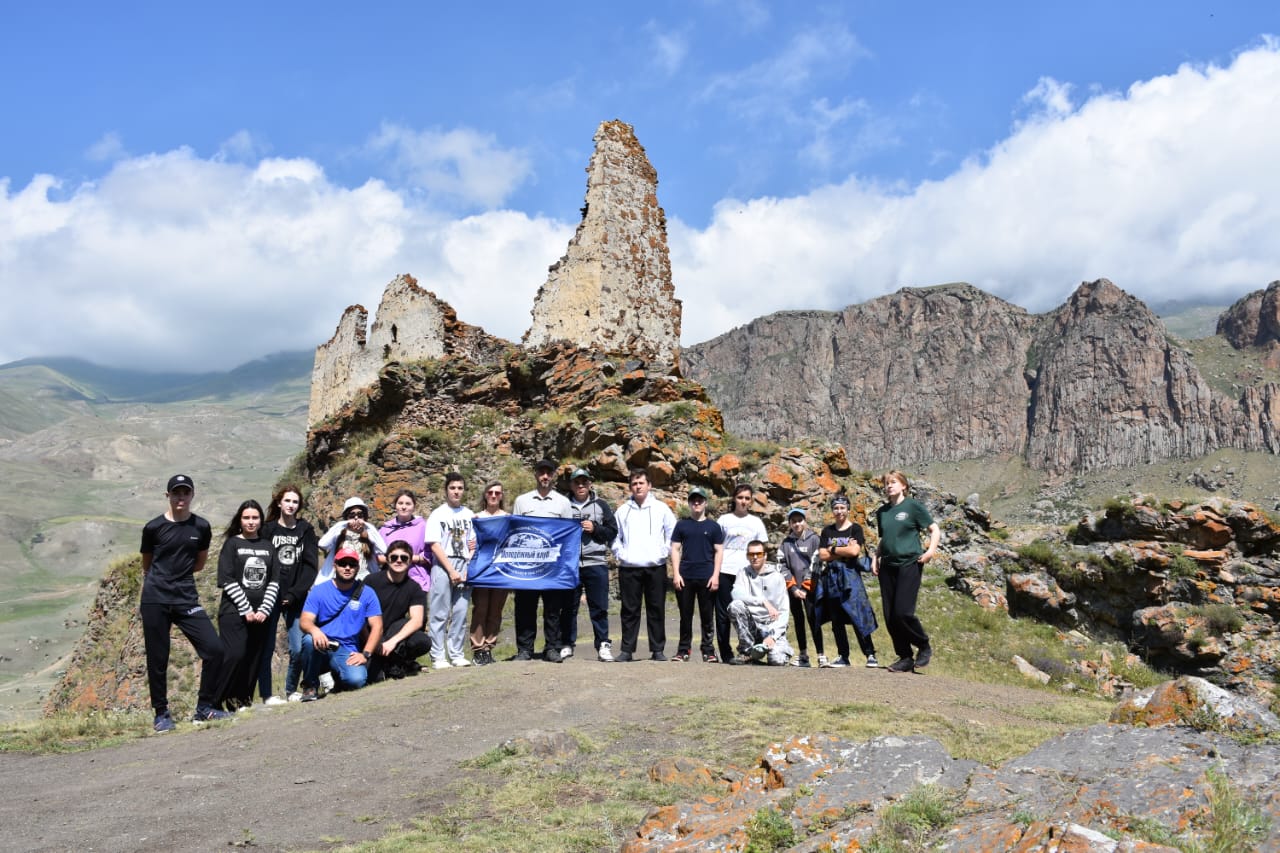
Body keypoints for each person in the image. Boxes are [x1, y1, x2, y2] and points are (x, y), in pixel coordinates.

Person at [139, 474, 230, 731]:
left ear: (192, 495)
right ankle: (161, 714)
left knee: (214, 649)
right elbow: (147, 564)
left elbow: (199, 563)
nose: (181, 497)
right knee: (158, 657)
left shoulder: (201, 527)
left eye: (185, 492)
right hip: (155, 599)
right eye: (176, 492)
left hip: (186, 597)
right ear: (167, 495)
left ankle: (205, 709)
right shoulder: (153, 527)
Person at [213, 500, 280, 711]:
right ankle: (213, 703)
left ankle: (241, 702)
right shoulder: (232, 544)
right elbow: (226, 579)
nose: (251, 522)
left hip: (261, 614)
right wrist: (246, 609)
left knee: (253, 659)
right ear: (239, 520)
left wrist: (264, 610)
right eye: (246, 518)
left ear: (261, 520)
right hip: (234, 612)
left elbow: (274, 581)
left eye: (255, 518)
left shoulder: (268, 546)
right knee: (234, 655)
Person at [873, 471, 941, 673]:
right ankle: (905, 657)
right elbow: (884, 538)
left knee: (902, 612)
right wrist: (875, 558)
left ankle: (923, 644)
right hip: (887, 566)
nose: (889, 486)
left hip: (909, 563)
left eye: (893, 482)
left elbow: (934, 529)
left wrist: (930, 552)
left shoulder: (912, 506)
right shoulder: (882, 512)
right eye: (886, 483)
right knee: (890, 616)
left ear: (903, 485)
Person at [298, 547, 383, 699]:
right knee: (309, 640)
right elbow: (305, 621)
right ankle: (310, 686)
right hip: (322, 644)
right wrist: (315, 631)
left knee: (357, 680)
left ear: (358, 567)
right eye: (343, 563)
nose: (347, 568)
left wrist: (365, 654)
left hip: (347, 648)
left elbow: (377, 626)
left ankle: (338, 680)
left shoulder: (367, 593)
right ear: (335, 565)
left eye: (352, 564)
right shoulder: (319, 590)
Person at [611, 468, 676, 662]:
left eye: (641, 483)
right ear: (630, 487)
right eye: (634, 483)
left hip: (655, 567)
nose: (638, 487)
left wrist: (663, 552)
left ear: (649, 485)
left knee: (656, 608)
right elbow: (614, 536)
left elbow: (673, 533)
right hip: (629, 568)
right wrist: (621, 554)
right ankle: (627, 650)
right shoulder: (622, 510)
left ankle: (658, 650)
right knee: (629, 610)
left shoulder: (661, 508)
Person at [511, 459, 573, 662]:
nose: (545, 476)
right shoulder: (522, 501)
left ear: (554, 475)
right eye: (541, 472)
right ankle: (525, 649)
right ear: (535, 474)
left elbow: (568, 534)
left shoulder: (563, 502)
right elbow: (514, 532)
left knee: (553, 609)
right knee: (525, 607)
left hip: (553, 566)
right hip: (527, 565)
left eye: (548, 473)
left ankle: (552, 648)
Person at [262, 485, 318, 704]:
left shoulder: (305, 530)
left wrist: (295, 593)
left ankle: (292, 690)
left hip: (296, 598)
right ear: (279, 503)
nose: (291, 505)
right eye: (287, 500)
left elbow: (310, 567)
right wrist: (271, 592)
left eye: (295, 502)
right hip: (270, 597)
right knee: (265, 648)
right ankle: (266, 694)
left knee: (298, 648)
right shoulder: (268, 530)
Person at [816, 494, 879, 668]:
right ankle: (843, 656)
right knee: (836, 618)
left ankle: (870, 654)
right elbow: (822, 555)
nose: (839, 511)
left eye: (842, 508)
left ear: (848, 510)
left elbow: (854, 552)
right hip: (832, 579)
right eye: (836, 508)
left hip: (851, 578)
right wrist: (844, 549)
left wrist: (833, 549)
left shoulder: (855, 529)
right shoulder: (827, 531)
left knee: (858, 614)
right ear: (832, 510)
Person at [562, 468, 618, 662]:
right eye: (576, 482)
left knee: (599, 606)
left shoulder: (601, 505)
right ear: (571, 485)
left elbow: (612, 531)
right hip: (570, 564)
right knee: (568, 607)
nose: (580, 486)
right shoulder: (563, 506)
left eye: (584, 482)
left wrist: (595, 528)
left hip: (596, 562)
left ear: (589, 484)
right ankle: (567, 644)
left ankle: (603, 644)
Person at [424, 473, 476, 669]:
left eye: (460, 488)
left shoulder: (469, 514)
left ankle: (456, 653)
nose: (456, 491)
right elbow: (434, 545)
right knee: (440, 611)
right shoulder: (438, 514)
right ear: (446, 490)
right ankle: (438, 655)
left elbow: (473, 543)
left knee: (461, 611)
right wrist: (451, 570)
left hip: (464, 563)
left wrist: (469, 565)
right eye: (452, 488)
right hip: (443, 563)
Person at [670, 487, 723, 663]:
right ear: (689, 503)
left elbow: (719, 551)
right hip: (685, 577)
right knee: (685, 616)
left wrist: (715, 576)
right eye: (693, 500)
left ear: (706, 503)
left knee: (707, 616)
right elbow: (675, 549)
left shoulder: (713, 526)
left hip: (707, 577)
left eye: (700, 500)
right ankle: (683, 650)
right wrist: (676, 574)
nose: (697, 503)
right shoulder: (681, 525)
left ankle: (708, 651)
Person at [715, 483, 768, 663]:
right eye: (740, 497)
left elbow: (762, 549)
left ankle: (751, 650)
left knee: (749, 610)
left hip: (747, 573)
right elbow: (716, 546)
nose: (743, 501)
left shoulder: (756, 522)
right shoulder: (724, 520)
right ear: (734, 499)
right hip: (725, 570)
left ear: (751, 501)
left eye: (747, 498)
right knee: (723, 613)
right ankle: (726, 653)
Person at [365, 539, 430, 680]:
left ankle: (399, 662)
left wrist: (392, 642)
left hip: (393, 633)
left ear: (410, 561)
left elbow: (417, 620)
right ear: (387, 559)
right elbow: (358, 616)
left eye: (404, 558)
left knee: (422, 641)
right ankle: (391, 664)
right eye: (394, 557)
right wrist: (373, 643)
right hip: (369, 634)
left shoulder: (414, 587)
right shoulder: (371, 581)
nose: (399, 560)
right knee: (371, 677)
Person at [727, 541, 792, 665]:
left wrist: (773, 637)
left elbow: (784, 611)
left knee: (777, 660)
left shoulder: (777, 577)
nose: (755, 557)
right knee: (735, 606)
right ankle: (746, 652)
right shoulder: (743, 573)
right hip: (753, 626)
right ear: (747, 556)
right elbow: (736, 594)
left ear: (765, 555)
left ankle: (779, 650)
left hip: (771, 626)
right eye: (751, 554)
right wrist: (762, 601)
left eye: (759, 554)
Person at [469, 480, 509, 665]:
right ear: (485, 495)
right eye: (490, 492)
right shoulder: (476, 518)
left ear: (502, 496)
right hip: (482, 569)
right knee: (481, 608)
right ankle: (478, 649)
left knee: (495, 610)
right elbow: (470, 543)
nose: (493, 495)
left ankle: (488, 647)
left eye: (497, 493)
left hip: (501, 570)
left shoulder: (508, 518)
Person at [777, 507, 820, 668]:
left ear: (805, 521)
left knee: (813, 619)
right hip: (793, 590)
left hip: (810, 588)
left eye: (799, 520)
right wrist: (793, 587)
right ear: (790, 523)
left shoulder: (814, 539)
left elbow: (817, 563)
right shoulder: (786, 543)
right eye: (793, 521)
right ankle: (803, 655)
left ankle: (821, 654)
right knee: (798, 620)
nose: (797, 524)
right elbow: (781, 565)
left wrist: (805, 586)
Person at [317, 497, 387, 582]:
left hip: (363, 578)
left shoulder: (369, 534)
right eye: (352, 515)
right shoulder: (339, 533)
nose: (356, 518)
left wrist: (365, 526)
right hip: (343, 577)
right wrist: (345, 524)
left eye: (360, 515)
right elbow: (322, 544)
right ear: (346, 517)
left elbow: (384, 549)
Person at [378, 490, 432, 594]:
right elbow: (378, 556)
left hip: (416, 580)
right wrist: (397, 559)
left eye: (408, 504)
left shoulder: (423, 526)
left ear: (414, 506)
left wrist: (409, 558)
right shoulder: (385, 529)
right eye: (400, 503)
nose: (403, 507)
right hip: (390, 580)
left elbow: (430, 553)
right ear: (395, 505)